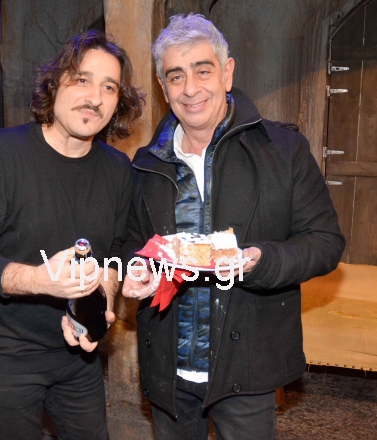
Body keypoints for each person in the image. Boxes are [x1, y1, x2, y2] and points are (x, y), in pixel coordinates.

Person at [121, 14, 345, 440]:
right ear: (163, 86)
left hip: (247, 365)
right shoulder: (146, 163)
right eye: (176, 76)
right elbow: (132, 240)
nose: (190, 88)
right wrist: (137, 267)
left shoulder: (283, 151)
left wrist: (261, 260)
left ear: (227, 73)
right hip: (168, 365)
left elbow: (326, 242)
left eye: (203, 70)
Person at [0, 30, 143, 440]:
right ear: (54, 83)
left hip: (78, 350)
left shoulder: (118, 169)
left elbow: (116, 251)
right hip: (5, 352)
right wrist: (39, 279)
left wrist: (103, 300)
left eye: (109, 87)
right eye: (82, 79)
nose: (95, 97)